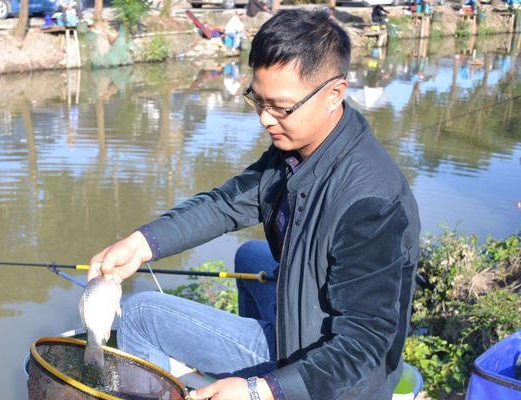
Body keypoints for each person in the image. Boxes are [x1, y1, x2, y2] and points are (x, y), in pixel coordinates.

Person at [87, 9, 420, 400]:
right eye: (257, 100)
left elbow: (363, 346)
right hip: (303, 325)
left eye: (281, 107)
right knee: (252, 257)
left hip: (337, 381)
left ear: (335, 94)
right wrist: (142, 243)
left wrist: (260, 390)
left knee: (143, 315)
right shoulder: (300, 149)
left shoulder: (371, 203)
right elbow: (226, 204)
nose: (265, 119)